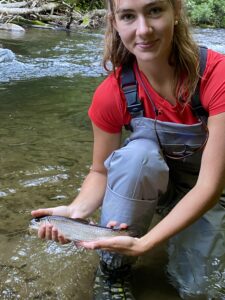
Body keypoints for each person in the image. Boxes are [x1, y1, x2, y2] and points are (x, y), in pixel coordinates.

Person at [32, 0, 225, 299]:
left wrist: (144, 244)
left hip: (205, 189)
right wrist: (75, 211)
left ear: (176, 12)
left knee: (198, 290)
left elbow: (210, 186)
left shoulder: (217, 75)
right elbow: (99, 170)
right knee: (137, 156)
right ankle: (113, 271)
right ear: (114, 22)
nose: (143, 30)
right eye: (128, 16)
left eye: (155, 11)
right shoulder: (111, 93)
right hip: (152, 182)